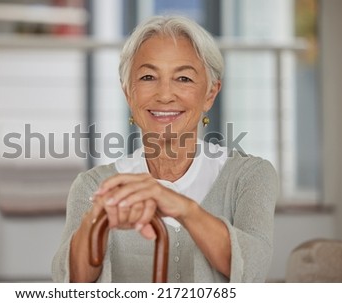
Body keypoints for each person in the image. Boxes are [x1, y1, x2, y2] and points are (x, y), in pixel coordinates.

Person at [52, 15, 278, 283]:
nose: (164, 95)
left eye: (183, 78)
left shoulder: (249, 176)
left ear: (210, 94)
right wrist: (96, 225)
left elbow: (254, 269)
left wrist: (182, 207)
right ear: (128, 93)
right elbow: (69, 283)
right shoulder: (93, 186)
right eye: (148, 77)